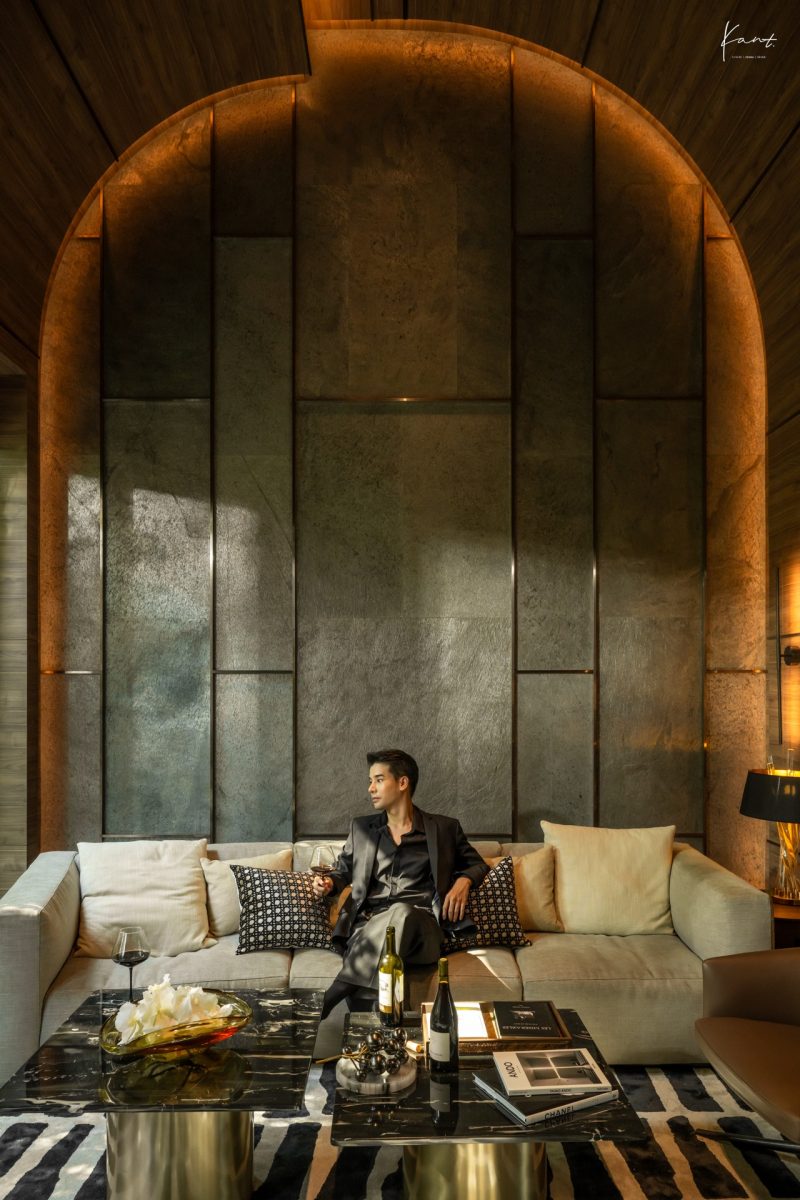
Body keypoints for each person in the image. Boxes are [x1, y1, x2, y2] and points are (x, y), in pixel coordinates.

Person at [312, 748, 489, 1019]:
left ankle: (331, 997)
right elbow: (342, 872)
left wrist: (464, 880)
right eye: (370, 781)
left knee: (402, 911)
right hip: (367, 928)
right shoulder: (362, 829)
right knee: (382, 964)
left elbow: (478, 865)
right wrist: (328, 884)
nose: (371, 788)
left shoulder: (444, 828)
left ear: (403, 782)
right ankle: (381, 1036)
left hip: (421, 931)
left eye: (379, 780)